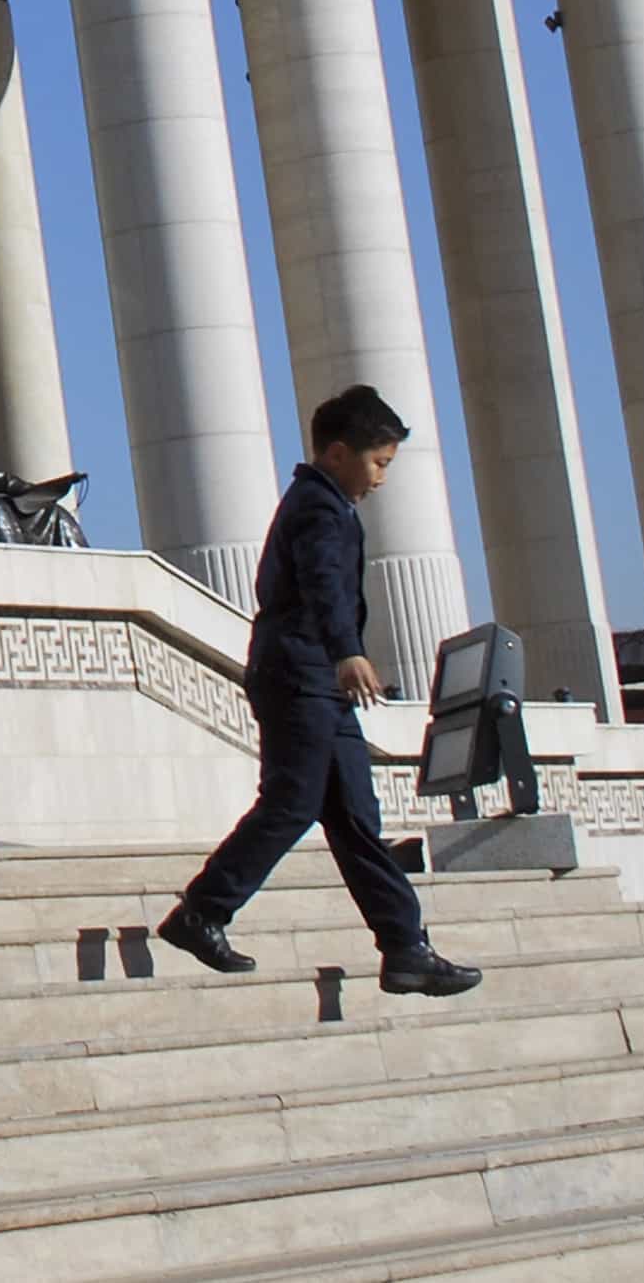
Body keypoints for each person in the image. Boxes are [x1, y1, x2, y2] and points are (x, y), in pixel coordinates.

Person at [157, 385, 484, 997]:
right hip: (300, 677)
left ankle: (405, 949)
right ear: (338, 453)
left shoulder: (325, 504)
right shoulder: (317, 508)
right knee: (292, 801)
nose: (382, 478)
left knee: (357, 817)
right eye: (379, 462)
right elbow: (321, 585)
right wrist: (347, 652)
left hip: (316, 684)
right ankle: (201, 912)